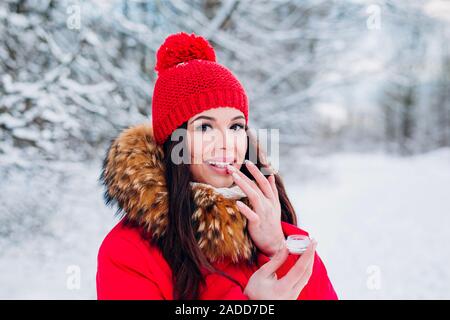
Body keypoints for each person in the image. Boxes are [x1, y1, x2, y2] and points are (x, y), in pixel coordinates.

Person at [96, 31, 338, 300]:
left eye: (236, 126)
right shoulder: (127, 252)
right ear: (173, 142)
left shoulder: (268, 232)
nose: (227, 143)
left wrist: (277, 247)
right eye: (204, 127)